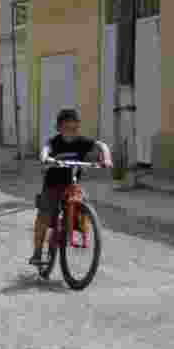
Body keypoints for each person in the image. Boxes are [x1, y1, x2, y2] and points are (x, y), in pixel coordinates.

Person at [29, 108, 113, 266]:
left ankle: (75, 228)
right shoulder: (54, 142)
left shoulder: (82, 142)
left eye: (74, 129)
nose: (71, 132)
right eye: (67, 128)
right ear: (59, 128)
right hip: (52, 185)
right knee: (44, 215)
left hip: (71, 184)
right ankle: (38, 252)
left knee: (82, 204)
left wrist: (106, 158)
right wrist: (46, 158)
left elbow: (101, 145)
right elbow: (45, 151)